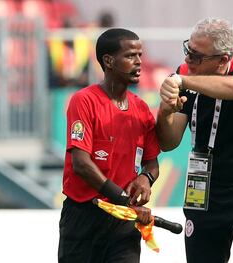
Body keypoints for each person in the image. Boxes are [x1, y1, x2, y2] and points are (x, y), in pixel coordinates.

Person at [156, 18, 233, 263]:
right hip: (205, 188)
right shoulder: (184, 74)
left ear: (223, 59)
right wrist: (166, 111)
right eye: (187, 51)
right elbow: (168, 142)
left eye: (197, 56)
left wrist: (183, 81)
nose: (188, 61)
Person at [58, 28, 160, 263]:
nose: (138, 62)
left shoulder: (142, 109)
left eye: (140, 56)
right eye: (130, 56)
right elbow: (81, 164)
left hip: (123, 222)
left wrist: (146, 178)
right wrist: (123, 198)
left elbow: (152, 162)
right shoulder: (84, 101)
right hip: (83, 217)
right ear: (108, 61)